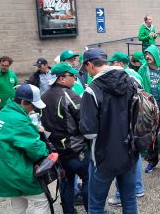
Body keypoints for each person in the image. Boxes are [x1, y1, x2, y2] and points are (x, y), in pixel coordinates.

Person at [80, 48, 138, 214]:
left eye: (85, 68)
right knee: (129, 201)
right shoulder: (131, 81)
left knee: (96, 205)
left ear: (90, 65)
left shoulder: (91, 90)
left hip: (103, 157)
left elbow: (89, 132)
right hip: (130, 151)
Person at [0, 84, 50, 213]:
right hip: (18, 170)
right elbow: (35, 149)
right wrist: (47, 150)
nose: (33, 109)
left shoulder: (5, 112)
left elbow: (13, 134)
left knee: (18, 205)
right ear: (23, 102)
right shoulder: (18, 119)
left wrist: (32, 129)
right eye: (32, 105)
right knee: (42, 201)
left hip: (5, 169)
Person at [41, 63, 89, 213]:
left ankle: (69, 211)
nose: (75, 79)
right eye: (72, 76)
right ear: (61, 78)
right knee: (88, 179)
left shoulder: (45, 95)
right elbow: (84, 121)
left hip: (57, 151)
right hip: (75, 149)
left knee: (67, 180)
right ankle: (93, 210)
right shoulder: (70, 94)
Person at [107, 52, 145, 207]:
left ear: (121, 63)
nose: (110, 65)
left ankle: (120, 194)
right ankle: (138, 188)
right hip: (137, 121)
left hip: (123, 122)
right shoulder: (137, 75)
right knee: (136, 155)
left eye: (113, 62)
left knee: (122, 158)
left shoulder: (118, 77)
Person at [137, 45, 160, 173]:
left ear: (155, 55)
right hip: (149, 108)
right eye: (146, 54)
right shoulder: (142, 69)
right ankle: (152, 161)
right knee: (152, 135)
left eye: (150, 54)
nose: (147, 56)